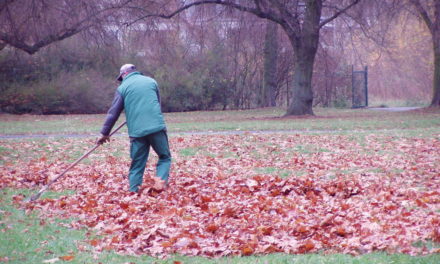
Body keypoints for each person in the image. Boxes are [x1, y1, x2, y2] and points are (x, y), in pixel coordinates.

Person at [97, 64, 171, 193]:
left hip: (137, 132)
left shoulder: (122, 88)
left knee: (137, 163)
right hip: (156, 127)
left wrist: (104, 133)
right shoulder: (151, 82)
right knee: (164, 157)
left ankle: (133, 191)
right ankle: (160, 185)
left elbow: (113, 113)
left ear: (124, 74)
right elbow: (157, 105)